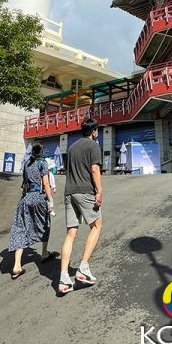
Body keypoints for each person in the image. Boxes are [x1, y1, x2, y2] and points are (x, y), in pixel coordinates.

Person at [58, 118, 103, 295]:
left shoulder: (72, 147)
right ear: (94, 131)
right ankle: (83, 267)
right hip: (85, 191)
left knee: (71, 233)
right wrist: (99, 191)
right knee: (97, 226)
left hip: (69, 191)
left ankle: (63, 278)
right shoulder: (93, 146)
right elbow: (95, 170)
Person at [8, 141, 56, 279]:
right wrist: (50, 201)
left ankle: (17, 265)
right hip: (38, 198)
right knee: (45, 223)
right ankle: (44, 253)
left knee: (21, 228)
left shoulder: (27, 164)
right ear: (41, 152)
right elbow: (46, 183)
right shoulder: (43, 163)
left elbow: (23, 184)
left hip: (25, 198)